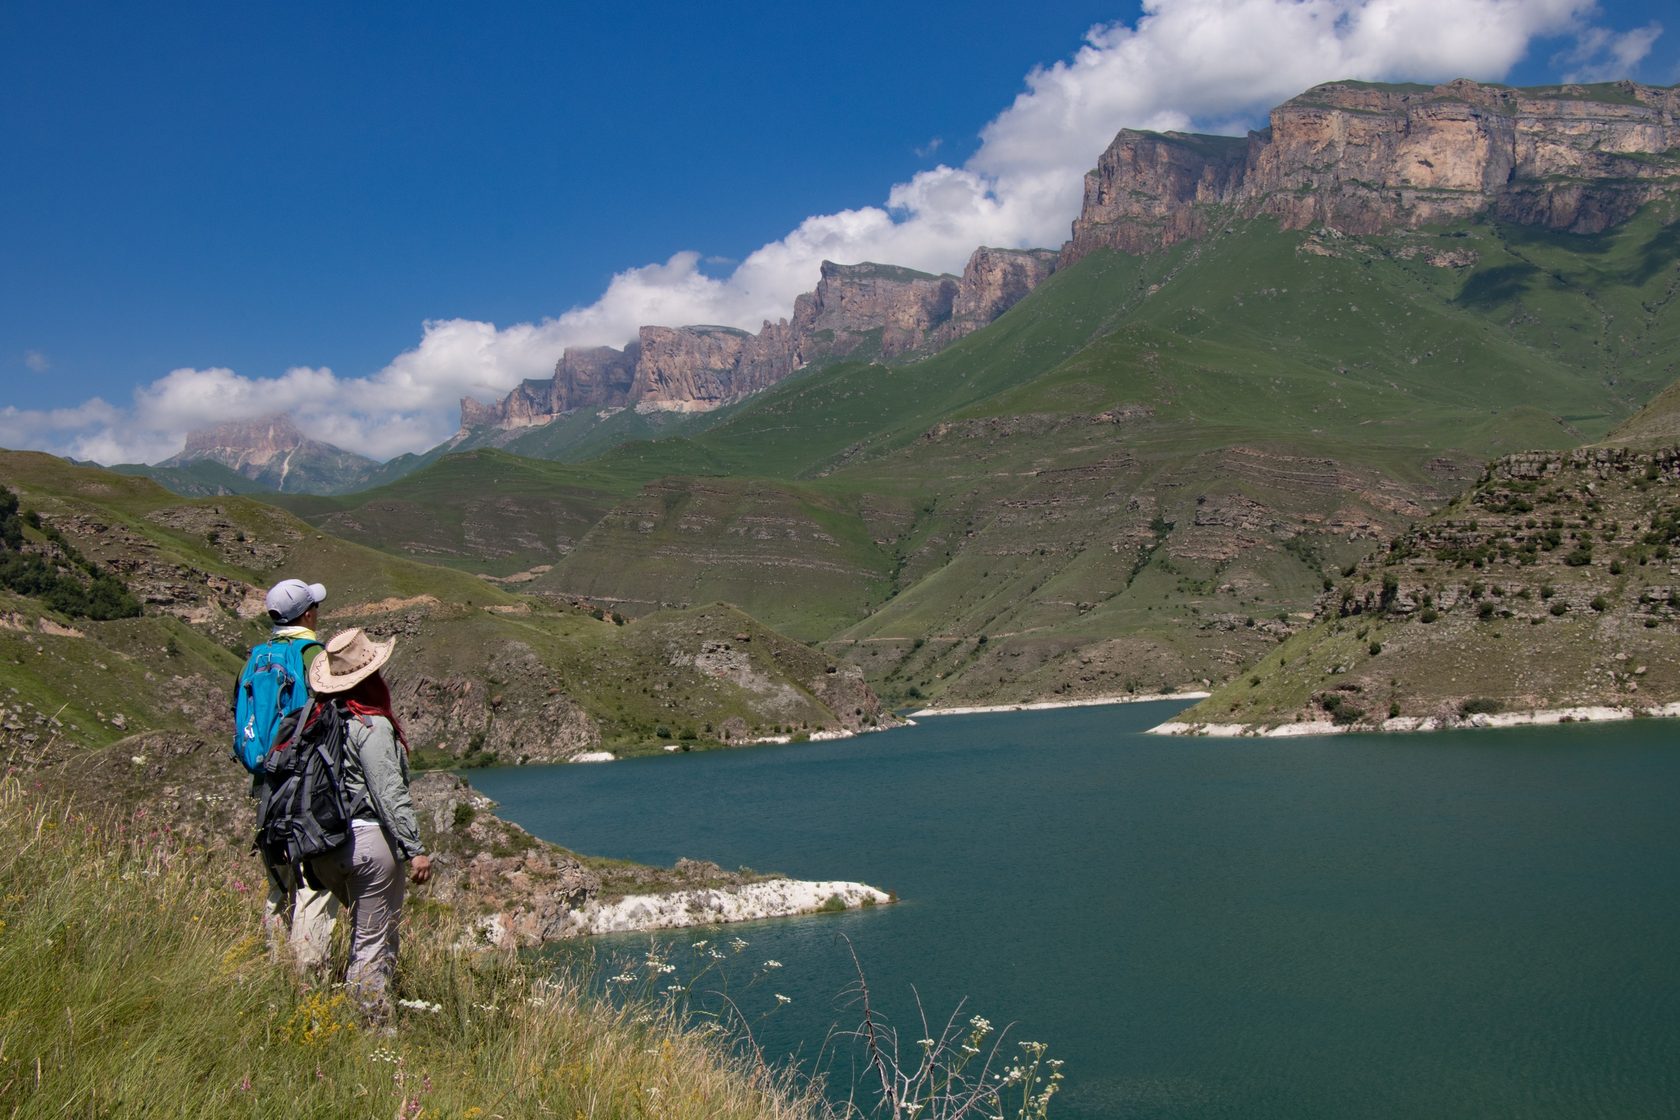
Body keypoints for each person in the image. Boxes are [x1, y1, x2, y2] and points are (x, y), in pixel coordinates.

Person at [304, 627, 432, 1024]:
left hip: (321, 846)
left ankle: (324, 1008)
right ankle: (374, 1034)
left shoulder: (316, 722)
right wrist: (415, 849)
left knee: (362, 933)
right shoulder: (370, 725)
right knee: (373, 943)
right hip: (367, 844)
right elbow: (388, 792)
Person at [240, 577, 340, 975]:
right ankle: (306, 982)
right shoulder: (311, 653)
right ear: (307, 614)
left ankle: (276, 969)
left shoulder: (256, 657)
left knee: (279, 885)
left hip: (266, 786)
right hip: (307, 787)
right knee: (313, 885)